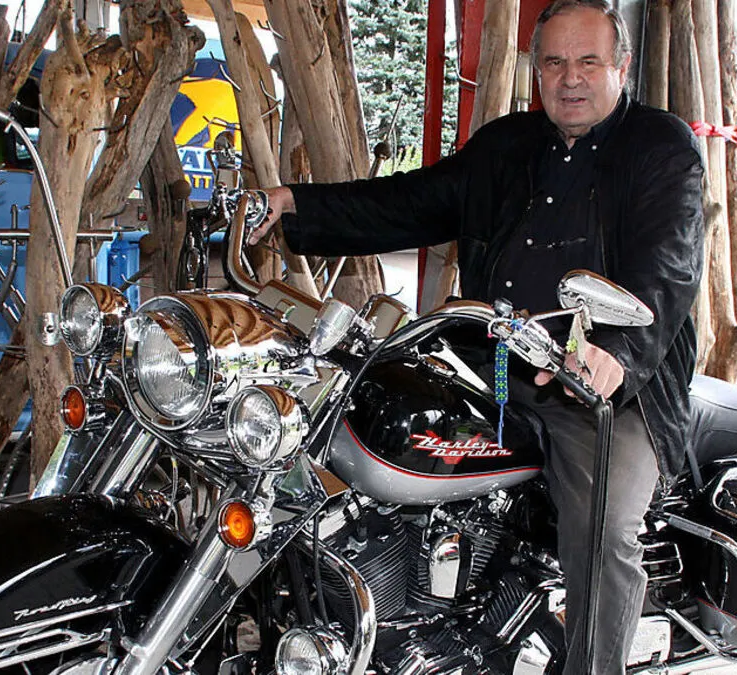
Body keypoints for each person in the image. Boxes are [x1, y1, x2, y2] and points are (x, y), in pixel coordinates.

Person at [249, 1, 705, 673]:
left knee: (604, 530)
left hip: (598, 388)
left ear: (622, 66)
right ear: (535, 70)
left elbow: (668, 266)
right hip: (484, 364)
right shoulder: (507, 146)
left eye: (588, 62)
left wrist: (616, 352)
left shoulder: (660, 147)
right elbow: (409, 201)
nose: (570, 78)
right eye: (554, 62)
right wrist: (298, 204)